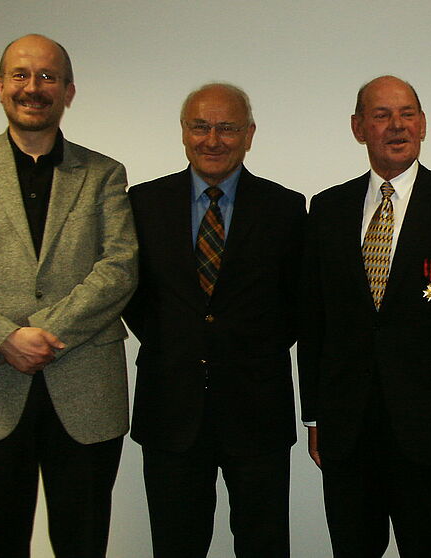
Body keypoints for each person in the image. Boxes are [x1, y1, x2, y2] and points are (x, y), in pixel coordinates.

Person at [0, 34, 137, 558]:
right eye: (21, 75)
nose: (33, 87)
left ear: (68, 91)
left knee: (83, 544)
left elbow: (119, 268)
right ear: (0, 86)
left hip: (84, 389)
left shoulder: (103, 174)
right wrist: (4, 336)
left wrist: (45, 332)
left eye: (48, 77)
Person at [298, 75, 431, 558]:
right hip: (348, 430)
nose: (397, 126)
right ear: (358, 128)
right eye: (381, 115)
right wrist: (314, 416)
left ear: (423, 124)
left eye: (407, 114)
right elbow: (315, 324)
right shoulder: (328, 209)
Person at [123, 83, 305, 557]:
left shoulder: (286, 208)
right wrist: (178, 342)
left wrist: (245, 347)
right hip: (170, 408)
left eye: (227, 128)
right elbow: (131, 296)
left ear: (249, 134)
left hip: (257, 409)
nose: (212, 139)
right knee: (175, 545)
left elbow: (298, 304)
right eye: (200, 126)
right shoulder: (143, 204)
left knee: (264, 545)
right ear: (184, 132)